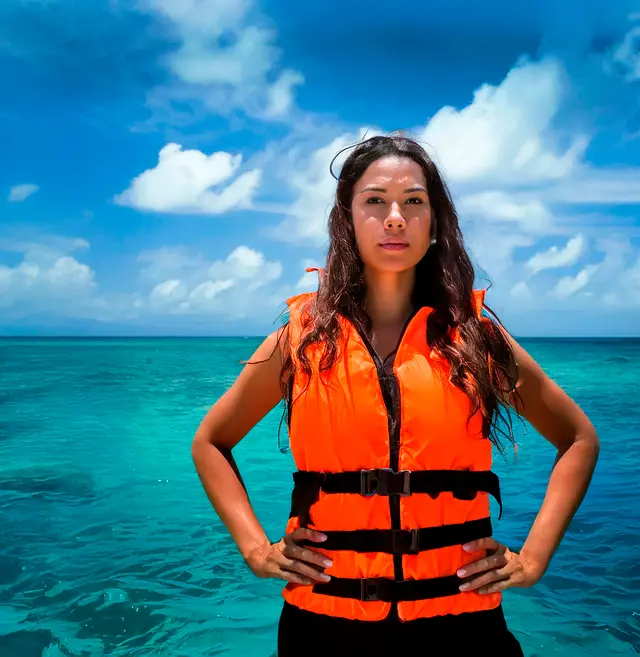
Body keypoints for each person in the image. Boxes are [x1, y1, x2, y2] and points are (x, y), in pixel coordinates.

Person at [191, 134, 600, 656]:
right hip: (324, 624)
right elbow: (210, 442)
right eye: (375, 201)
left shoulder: (474, 337)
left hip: (460, 623)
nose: (395, 217)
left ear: (434, 222)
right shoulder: (301, 341)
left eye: (413, 202)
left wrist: (533, 559)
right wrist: (254, 548)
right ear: (347, 219)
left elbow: (578, 438)